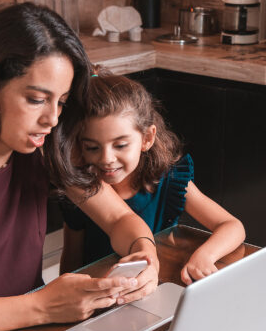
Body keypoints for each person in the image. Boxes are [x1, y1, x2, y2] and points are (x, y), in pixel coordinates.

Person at [0, 3, 159, 331]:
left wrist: (146, 254)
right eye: (37, 99)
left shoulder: (42, 149)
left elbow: (119, 221)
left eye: (62, 102)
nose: (52, 119)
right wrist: (38, 307)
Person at [60, 68, 245, 285]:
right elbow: (71, 262)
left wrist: (204, 257)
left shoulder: (170, 178)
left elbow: (232, 225)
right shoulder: (80, 189)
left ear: (147, 138)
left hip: (160, 285)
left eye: (120, 145)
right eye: (92, 147)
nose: (107, 158)